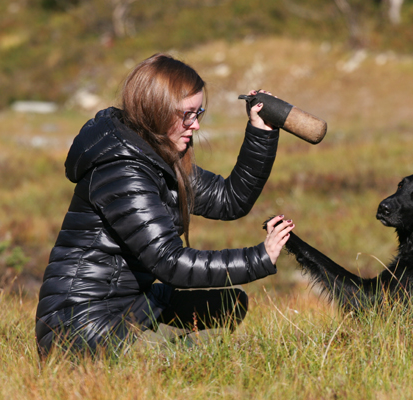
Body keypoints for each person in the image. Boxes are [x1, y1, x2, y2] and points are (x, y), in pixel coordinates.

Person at [35, 53, 295, 357]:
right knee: (205, 354)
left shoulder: (155, 158)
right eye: (187, 114)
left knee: (228, 307)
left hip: (130, 304)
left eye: (199, 113)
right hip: (80, 328)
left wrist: (260, 132)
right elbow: (171, 263)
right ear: (156, 110)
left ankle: (168, 350)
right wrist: (259, 258)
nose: (195, 125)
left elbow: (229, 200)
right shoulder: (122, 170)